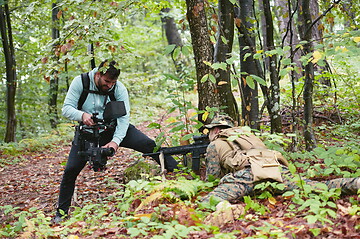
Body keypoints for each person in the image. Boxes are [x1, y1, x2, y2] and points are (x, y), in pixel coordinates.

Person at [53, 60, 178, 223]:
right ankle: (61, 214)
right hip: (87, 134)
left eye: (113, 82)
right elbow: (66, 108)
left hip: (112, 129)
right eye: (106, 82)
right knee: (70, 170)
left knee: (148, 144)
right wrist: (82, 116)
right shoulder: (81, 82)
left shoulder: (119, 89)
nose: (110, 86)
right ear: (98, 74)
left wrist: (115, 142)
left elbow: (124, 118)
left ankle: (178, 172)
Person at [201, 114, 359, 203]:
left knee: (208, 202)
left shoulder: (215, 144)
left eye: (209, 131)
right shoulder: (247, 136)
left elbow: (212, 179)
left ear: (215, 130)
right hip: (275, 170)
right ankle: (355, 183)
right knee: (316, 187)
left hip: (248, 175)